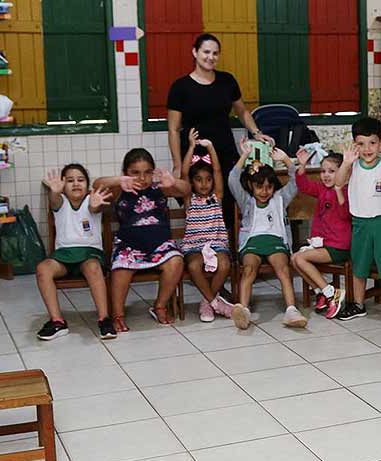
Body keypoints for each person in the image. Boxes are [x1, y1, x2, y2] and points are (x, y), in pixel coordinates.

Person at [167, 33, 273, 233]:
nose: (210, 57)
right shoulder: (180, 87)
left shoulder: (227, 81)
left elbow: (242, 111)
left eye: (215, 53)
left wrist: (256, 132)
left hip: (224, 151)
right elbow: (173, 129)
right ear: (195, 52)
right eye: (206, 52)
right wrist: (177, 164)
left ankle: (227, 250)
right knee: (196, 204)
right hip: (194, 154)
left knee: (228, 201)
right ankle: (198, 250)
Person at [94, 149, 188, 332]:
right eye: (135, 173)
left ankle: (159, 306)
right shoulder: (119, 190)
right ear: (125, 173)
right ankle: (118, 315)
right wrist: (119, 181)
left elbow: (187, 189)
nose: (142, 178)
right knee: (121, 268)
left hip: (160, 244)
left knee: (176, 261)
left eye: (147, 172)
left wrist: (173, 181)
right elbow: (97, 184)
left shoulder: (159, 187)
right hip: (129, 246)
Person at [333, 117, 381, 336]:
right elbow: (338, 183)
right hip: (359, 223)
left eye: (372, 143)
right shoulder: (353, 163)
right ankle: (358, 305)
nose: (367, 149)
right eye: (361, 143)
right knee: (359, 265)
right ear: (354, 144)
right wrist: (346, 163)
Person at [227, 138, 307, 330]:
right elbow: (232, 179)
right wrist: (244, 155)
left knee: (283, 269)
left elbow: (296, 181)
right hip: (252, 243)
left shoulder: (280, 199)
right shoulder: (246, 201)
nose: (264, 192)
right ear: (251, 187)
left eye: (268, 187)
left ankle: (291, 310)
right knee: (249, 270)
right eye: (259, 187)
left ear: (274, 187)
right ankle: (243, 310)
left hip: (276, 241)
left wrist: (287, 160)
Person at [36, 165, 114, 340]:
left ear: (87, 184)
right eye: (70, 181)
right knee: (43, 269)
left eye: (80, 180)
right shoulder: (61, 201)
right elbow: (54, 201)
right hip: (63, 256)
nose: (76, 184)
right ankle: (57, 321)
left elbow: (96, 208)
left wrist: (96, 204)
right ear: (63, 185)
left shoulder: (92, 200)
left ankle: (104, 319)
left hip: (90, 254)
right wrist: (54, 192)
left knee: (94, 267)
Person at [179, 129, 233, 323]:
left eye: (208, 180)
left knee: (225, 264)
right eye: (199, 180)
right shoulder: (189, 199)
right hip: (194, 245)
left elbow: (218, 170)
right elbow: (183, 173)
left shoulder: (216, 198)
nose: (204, 184)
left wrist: (210, 148)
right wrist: (192, 147)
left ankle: (206, 301)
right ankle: (216, 303)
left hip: (217, 243)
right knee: (194, 266)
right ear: (192, 183)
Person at [291, 152, 351, 320]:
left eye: (331, 171)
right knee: (294, 259)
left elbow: (345, 214)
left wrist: (339, 190)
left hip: (339, 246)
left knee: (301, 259)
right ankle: (321, 293)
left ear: (343, 172)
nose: (326, 175)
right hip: (324, 244)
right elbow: (304, 186)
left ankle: (332, 293)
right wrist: (302, 165)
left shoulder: (346, 191)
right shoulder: (322, 189)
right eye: (323, 171)